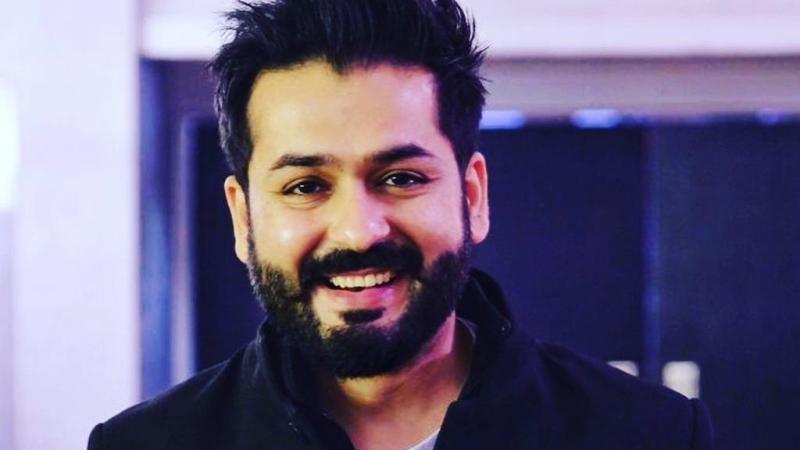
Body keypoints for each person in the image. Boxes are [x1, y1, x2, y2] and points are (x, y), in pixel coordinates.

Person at [88, 0, 713, 449]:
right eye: (305, 186)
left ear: (472, 195)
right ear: (243, 216)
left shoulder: (647, 434)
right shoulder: (148, 444)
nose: (358, 232)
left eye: (401, 178)